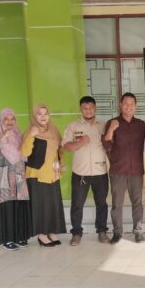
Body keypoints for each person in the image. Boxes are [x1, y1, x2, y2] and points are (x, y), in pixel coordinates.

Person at [102, 92, 145, 244]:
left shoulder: (141, 125)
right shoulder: (112, 122)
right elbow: (106, 145)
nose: (128, 106)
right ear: (120, 105)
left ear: (136, 106)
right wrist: (111, 129)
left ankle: (138, 231)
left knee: (137, 203)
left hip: (136, 171)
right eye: (125, 104)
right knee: (117, 204)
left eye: (131, 104)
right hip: (118, 171)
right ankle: (117, 232)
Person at [62, 96, 109, 246]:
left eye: (91, 108)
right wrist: (81, 142)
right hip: (80, 173)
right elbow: (66, 147)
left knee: (101, 204)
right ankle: (76, 233)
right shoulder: (73, 126)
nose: (88, 111)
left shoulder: (104, 125)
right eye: (85, 108)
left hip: (100, 171)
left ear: (95, 108)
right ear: (80, 109)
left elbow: (111, 143)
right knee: (77, 204)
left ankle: (102, 231)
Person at [21, 104, 66, 247]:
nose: (43, 116)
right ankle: (41, 234)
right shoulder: (30, 131)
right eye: (39, 114)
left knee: (53, 205)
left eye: (45, 113)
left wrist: (61, 165)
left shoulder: (54, 131)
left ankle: (52, 231)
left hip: (52, 174)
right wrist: (31, 136)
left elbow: (60, 150)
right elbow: (24, 153)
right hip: (36, 175)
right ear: (34, 116)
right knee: (40, 206)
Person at [0, 108, 32, 250]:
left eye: (12, 119)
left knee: (19, 205)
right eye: (6, 119)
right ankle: (7, 239)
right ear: (1, 120)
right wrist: (2, 138)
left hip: (19, 175)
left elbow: (25, 153)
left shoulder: (18, 134)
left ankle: (20, 236)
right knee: (6, 206)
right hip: (4, 176)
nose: (9, 122)